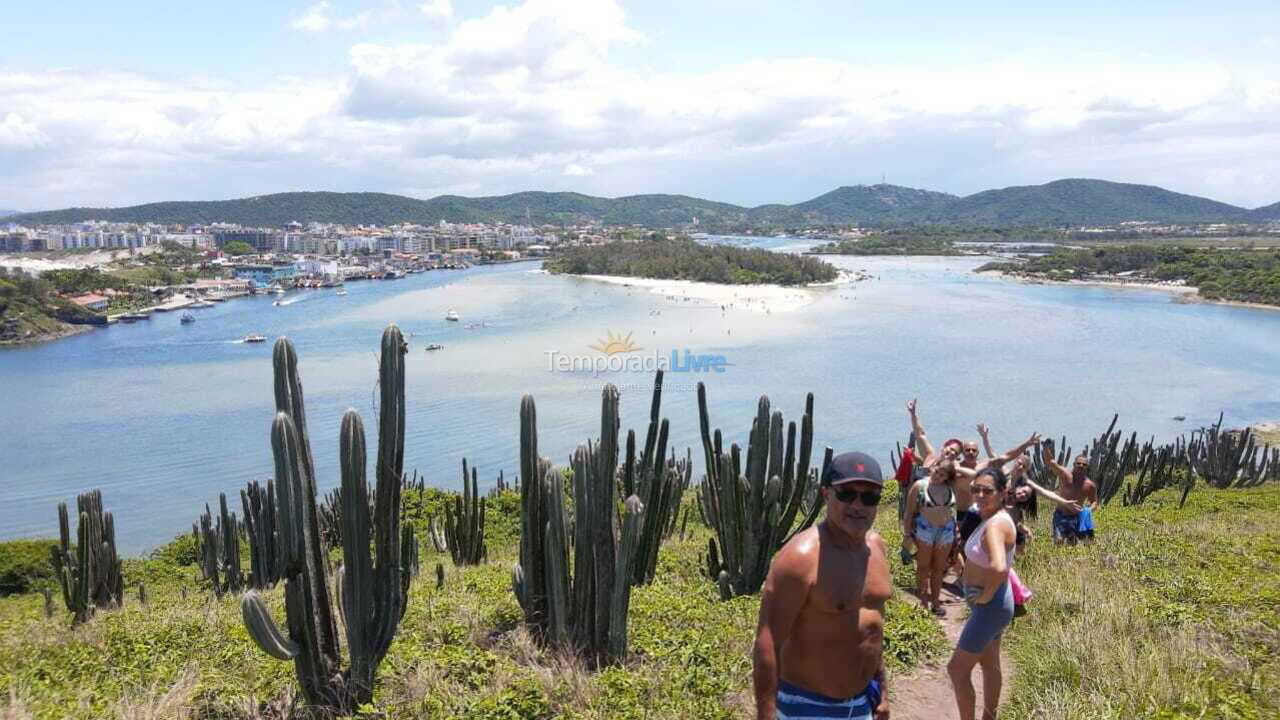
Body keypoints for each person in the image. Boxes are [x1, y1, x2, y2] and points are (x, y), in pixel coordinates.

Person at [753, 452, 892, 720]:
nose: (858, 505)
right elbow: (767, 642)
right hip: (806, 706)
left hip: (863, 702)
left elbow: (873, 629)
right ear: (826, 494)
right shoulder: (800, 558)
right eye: (847, 494)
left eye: (869, 496)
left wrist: (882, 694)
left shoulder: (877, 548)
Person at [947, 466, 1017, 720]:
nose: (979, 494)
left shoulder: (995, 526)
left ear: (1002, 493)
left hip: (991, 605)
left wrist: (985, 597)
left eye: (987, 490)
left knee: (957, 670)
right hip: (996, 602)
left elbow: (999, 568)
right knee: (989, 663)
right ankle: (990, 717)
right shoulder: (993, 517)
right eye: (975, 489)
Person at [902, 459, 957, 616]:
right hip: (925, 529)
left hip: (946, 531)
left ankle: (935, 602)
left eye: (942, 475)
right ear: (932, 468)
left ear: (947, 477)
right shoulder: (920, 486)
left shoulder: (950, 487)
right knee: (923, 567)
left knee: (939, 569)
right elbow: (909, 512)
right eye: (936, 471)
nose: (937, 476)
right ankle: (923, 603)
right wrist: (906, 534)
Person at [1041, 446, 1099, 545]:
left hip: (1076, 517)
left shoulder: (1089, 485)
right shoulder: (1065, 474)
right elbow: (1050, 462)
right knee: (1058, 541)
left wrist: (1089, 510)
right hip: (1060, 515)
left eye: (1084, 464)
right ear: (1074, 464)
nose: (1081, 465)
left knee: (1073, 543)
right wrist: (1046, 447)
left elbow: (1094, 501)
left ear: (1087, 467)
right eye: (1079, 463)